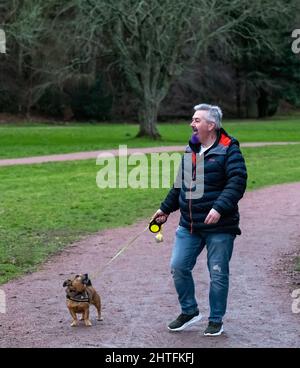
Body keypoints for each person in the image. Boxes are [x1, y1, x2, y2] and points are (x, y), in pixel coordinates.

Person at [151, 103, 247, 336]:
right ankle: (189, 311)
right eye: (192, 120)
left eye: (196, 120)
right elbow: (179, 186)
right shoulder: (191, 149)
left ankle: (216, 320)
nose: (192, 124)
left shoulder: (228, 149)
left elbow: (237, 182)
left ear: (211, 125)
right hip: (190, 225)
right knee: (178, 266)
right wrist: (164, 209)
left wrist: (219, 208)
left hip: (220, 226)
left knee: (217, 273)